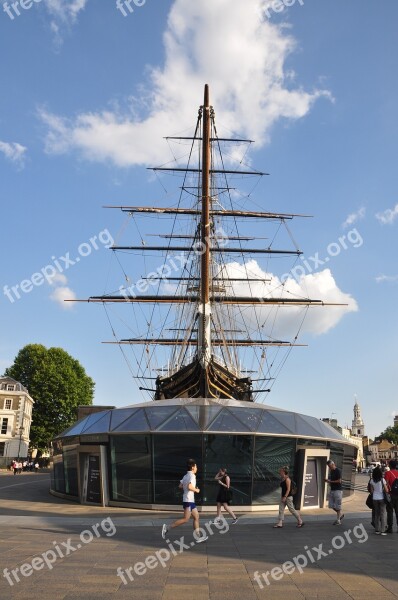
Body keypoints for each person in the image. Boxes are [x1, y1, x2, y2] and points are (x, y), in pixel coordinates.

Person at [161, 458, 208, 543]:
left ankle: (198, 537)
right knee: (186, 519)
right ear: (193, 467)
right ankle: (167, 528)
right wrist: (196, 490)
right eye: (196, 467)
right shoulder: (192, 476)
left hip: (189, 500)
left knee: (196, 516)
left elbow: (180, 486)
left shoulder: (186, 475)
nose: (197, 468)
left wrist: (188, 488)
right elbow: (190, 487)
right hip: (188, 500)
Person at [370, 465, 389, 536]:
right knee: (383, 514)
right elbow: (386, 490)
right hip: (382, 498)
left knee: (377, 514)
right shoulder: (382, 480)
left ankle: (377, 530)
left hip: (375, 498)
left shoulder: (372, 480)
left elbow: (371, 491)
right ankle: (383, 530)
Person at [325, 460, 344, 525]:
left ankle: (338, 520)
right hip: (332, 490)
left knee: (338, 506)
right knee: (331, 505)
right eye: (328, 467)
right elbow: (332, 479)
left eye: (330, 466)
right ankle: (340, 514)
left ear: (333, 464)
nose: (329, 468)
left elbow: (339, 481)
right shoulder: (332, 471)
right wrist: (328, 480)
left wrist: (330, 482)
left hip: (338, 490)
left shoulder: (338, 471)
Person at [384, 459, 398, 533]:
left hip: (391, 494)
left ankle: (390, 528)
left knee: (390, 511)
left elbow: (385, 484)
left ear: (390, 465)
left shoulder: (388, 473)